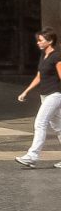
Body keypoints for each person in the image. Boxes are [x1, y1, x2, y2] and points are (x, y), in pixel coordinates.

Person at [19, 26, 61, 165]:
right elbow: (39, 76)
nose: (38, 42)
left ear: (50, 41)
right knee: (59, 127)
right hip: (45, 95)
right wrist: (26, 91)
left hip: (54, 95)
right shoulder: (44, 55)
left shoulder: (57, 56)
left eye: (41, 40)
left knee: (40, 123)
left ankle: (32, 156)